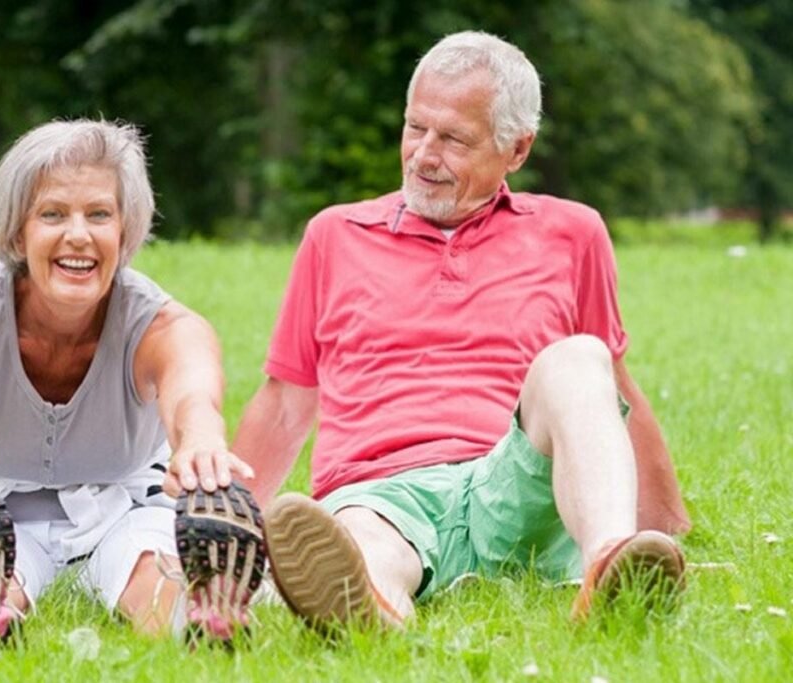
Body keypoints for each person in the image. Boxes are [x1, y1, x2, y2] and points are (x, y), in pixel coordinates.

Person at [232, 31, 691, 628]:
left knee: (579, 357)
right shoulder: (333, 236)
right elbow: (285, 402)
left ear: (517, 149)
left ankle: (610, 565)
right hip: (380, 491)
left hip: (512, 483)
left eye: (452, 139)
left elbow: (609, 392)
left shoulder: (574, 233)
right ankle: (370, 608)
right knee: (361, 545)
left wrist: (666, 530)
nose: (424, 154)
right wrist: (229, 533)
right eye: (415, 127)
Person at [0, 119, 256, 644]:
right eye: (53, 214)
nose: (79, 235)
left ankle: (205, 621)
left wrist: (201, 448)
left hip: (125, 504)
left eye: (99, 214)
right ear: (18, 232)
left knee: (151, 572)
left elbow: (193, 397)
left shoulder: (166, 326)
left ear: (125, 231)